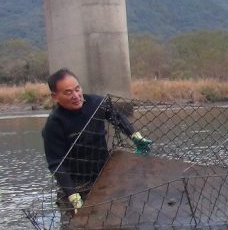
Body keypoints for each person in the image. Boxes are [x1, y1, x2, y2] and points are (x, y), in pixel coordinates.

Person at [42, 68, 152, 212]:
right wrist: (73, 196)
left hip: (103, 176)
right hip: (76, 184)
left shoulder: (96, 103)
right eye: (68, 92)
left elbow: (117, 117)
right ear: (55, 97)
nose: (76, 95)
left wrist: (135, 136)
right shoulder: (54, 124)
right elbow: (56, 164)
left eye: (77, 89)